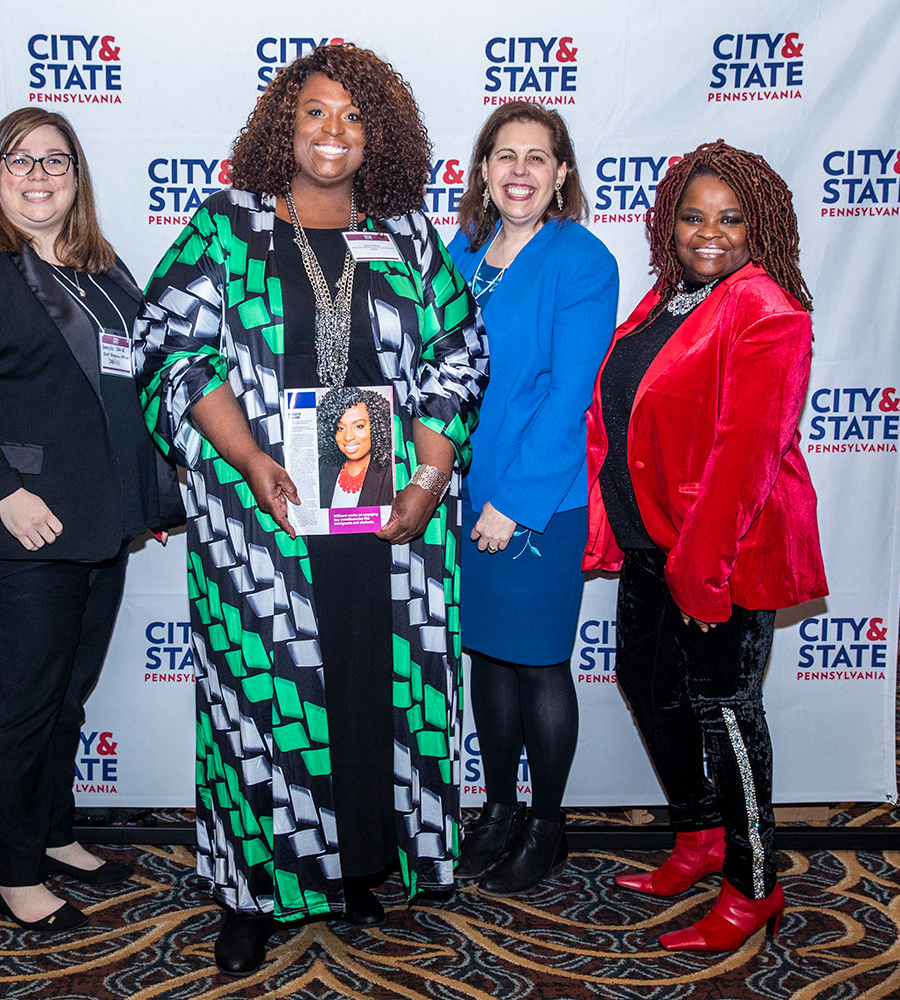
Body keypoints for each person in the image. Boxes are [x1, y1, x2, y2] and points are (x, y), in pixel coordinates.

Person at [134, 43, 487, 975]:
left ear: (382, 135)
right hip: (264, 523)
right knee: (264, 698)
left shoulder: (409, 236)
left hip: (391, 524)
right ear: (283, 124)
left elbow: (459, 355)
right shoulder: (228, 225)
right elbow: (171, 352)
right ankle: (255, 893)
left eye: (354, 117)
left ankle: (356, 868)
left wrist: (427, 477)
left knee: (378, 685)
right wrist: (248, 456)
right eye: (316, 113)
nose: (334, 134)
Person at [0, 108, 181, 933]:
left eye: (55, 161)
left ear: (76, 176)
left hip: (96, 522)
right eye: (18, 161)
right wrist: (2, 494)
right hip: (14, 524)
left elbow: (133, 377)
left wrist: (148, 490)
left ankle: (54, 834)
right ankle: (13, 872)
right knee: (24, 701)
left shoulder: (96, 262)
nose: (38, 175)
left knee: (66, 695)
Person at [583, 140, 827, 951]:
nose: (708, 232)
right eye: (692, 216)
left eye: (729, 218)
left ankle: (753, 884)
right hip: (654, 543)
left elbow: (744, 459)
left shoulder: (768, 311)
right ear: (668, 224)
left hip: (723, 554)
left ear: (761, 228)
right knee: (646, 685)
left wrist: (703, 573)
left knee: (725, 713)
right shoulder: (671, 299)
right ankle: (699, 836)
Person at [445, 103, 619, 894]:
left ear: (561, 176)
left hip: (537, 500)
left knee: (542, 666)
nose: (519, 170)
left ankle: (548, 825)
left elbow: (568, 395)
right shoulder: (463, 254)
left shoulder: (582, 260)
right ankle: (499, 811)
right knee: (488, 656)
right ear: (482, 171)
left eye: (537, 158)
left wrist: (511, 502)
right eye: (504, 155)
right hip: (459, 491)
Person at [316, 386, 395, 508]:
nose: (348, 437)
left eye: (358, 426)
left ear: (376, 426)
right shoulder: (322, 468)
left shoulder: (391, 473)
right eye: (340, 428)